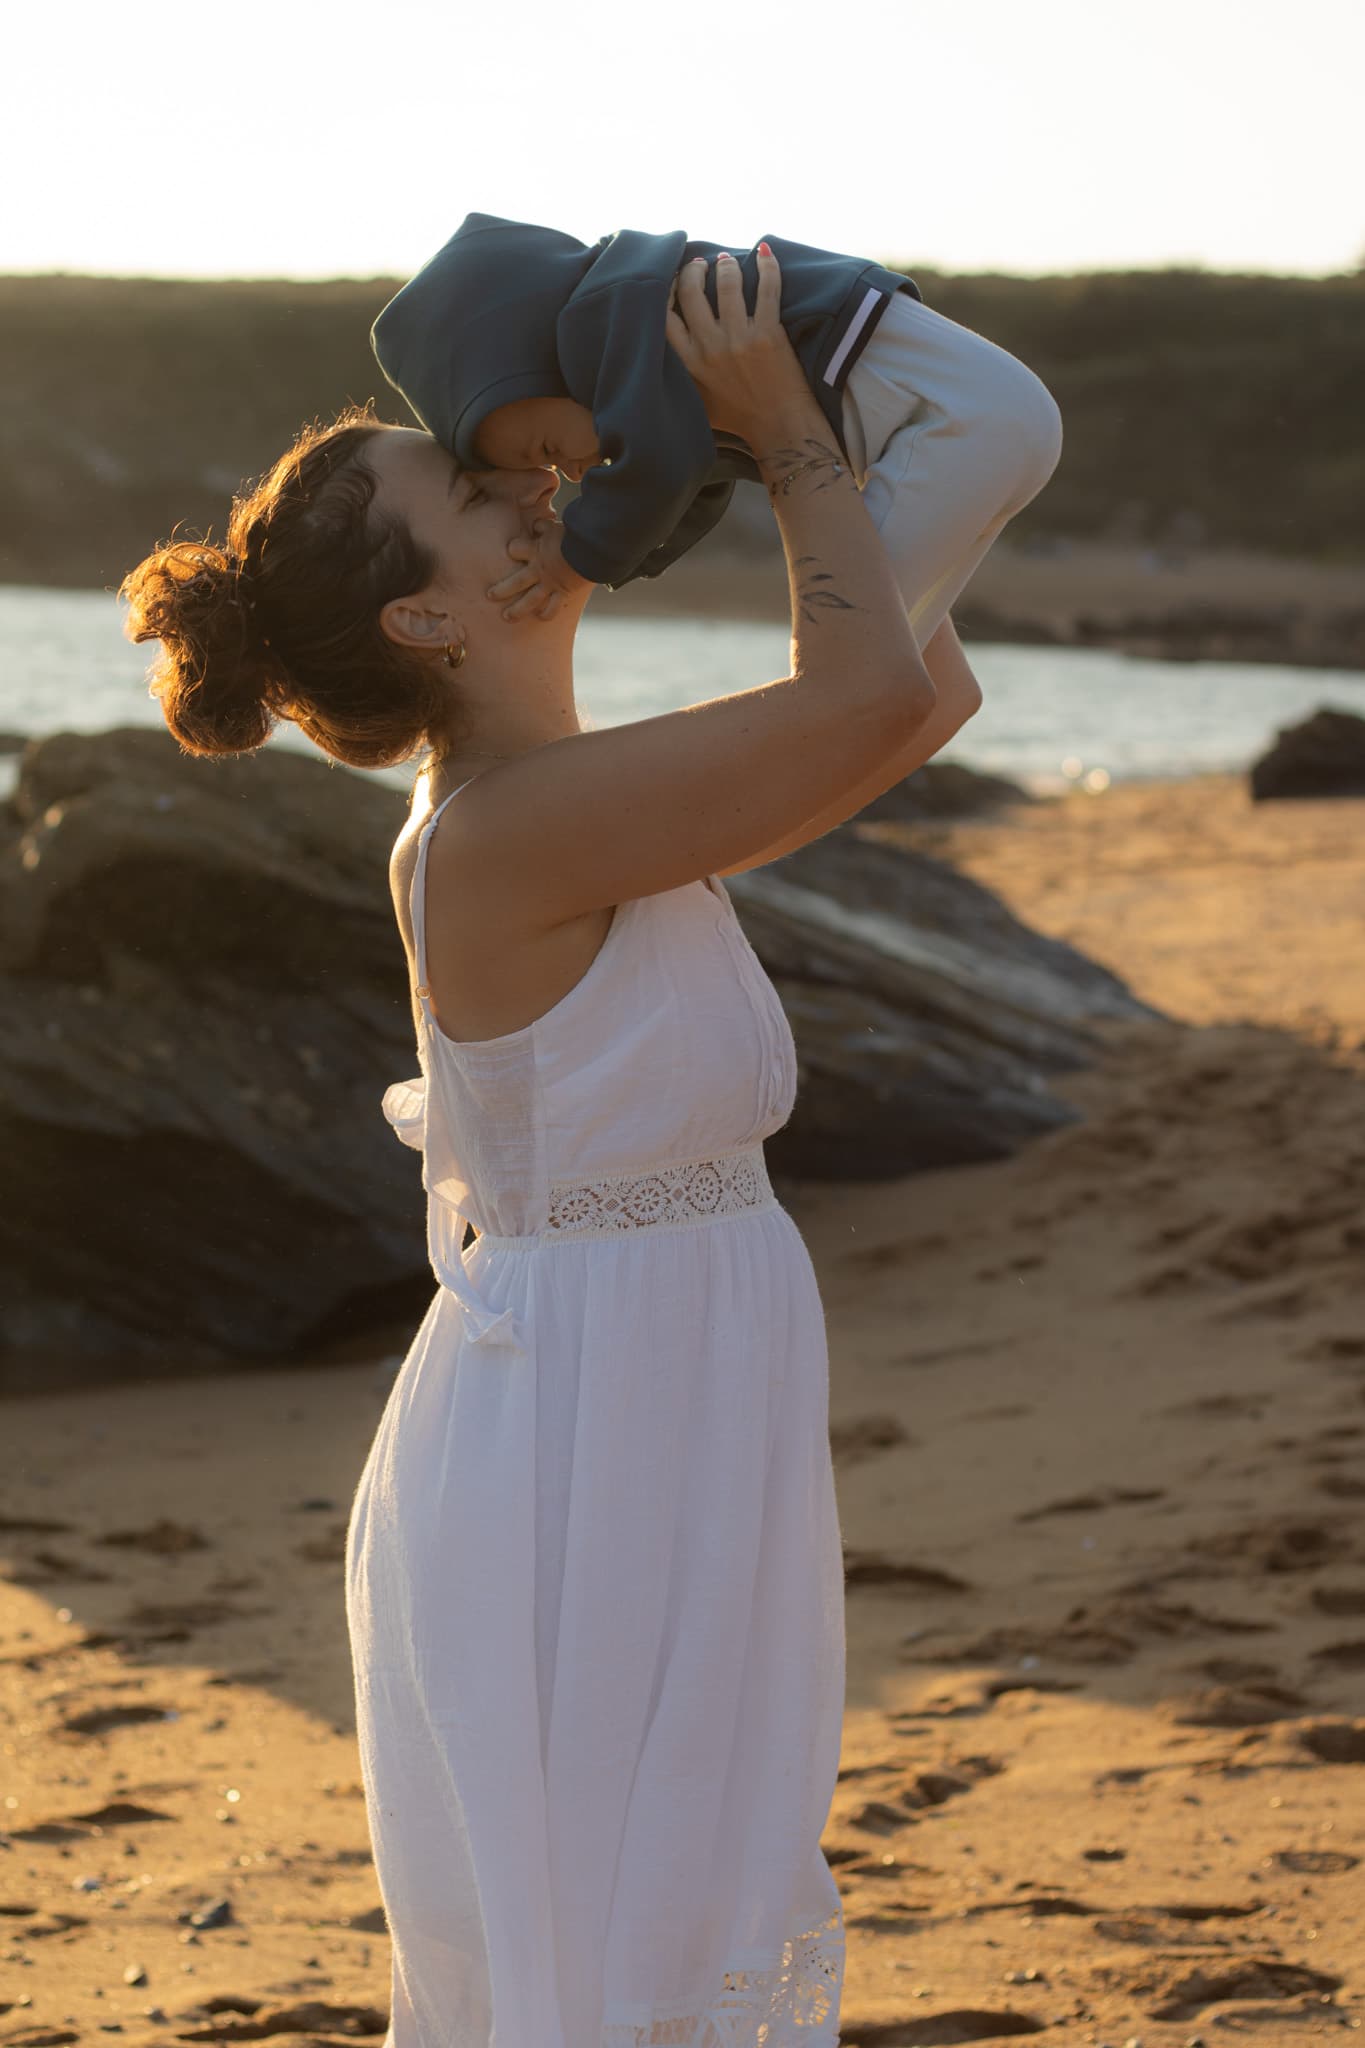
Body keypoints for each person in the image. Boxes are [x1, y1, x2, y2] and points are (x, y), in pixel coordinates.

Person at [120, 248, 987, 2046]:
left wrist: (787, 453)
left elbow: (914, 694)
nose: (529, 484)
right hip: (585, 1430)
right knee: (620, 1940)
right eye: (470, 485)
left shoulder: (575, 803)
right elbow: (865, 702)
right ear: (434, 620)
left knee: (669, 1903)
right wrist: (779, 433)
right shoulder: (509, 830)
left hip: (662, 1378)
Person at [371, 212, 1063, 646]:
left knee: (849, 648)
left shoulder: (611, 313)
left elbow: (664, 465)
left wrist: (576, 555)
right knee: (894, 645)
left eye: (551, 450)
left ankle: (791, 788)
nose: (574, 475)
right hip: (987, 419)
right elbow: (686, 483)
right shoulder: (648, 375)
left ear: (532, 359)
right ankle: (838, 787)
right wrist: (621, 560)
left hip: (955, 422)